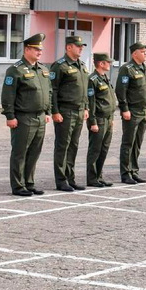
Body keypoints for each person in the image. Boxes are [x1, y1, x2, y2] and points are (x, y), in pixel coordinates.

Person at [1, 33, 51, 196]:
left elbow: (48, 92)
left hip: (40, 117)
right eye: (36, 49)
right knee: (20, 152)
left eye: (41, 50)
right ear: (27, 49)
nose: (39, 52)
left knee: (34, 152)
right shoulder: (15, 70)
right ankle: (17, 185)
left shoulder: (43, 69)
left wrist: (48, 112)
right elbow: (8, 95)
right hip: (23, 117)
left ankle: (29, 182)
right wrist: (10, 116)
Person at [50, 35, 89, 191]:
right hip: (65, 111)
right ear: (68, 47)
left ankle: (70, 178)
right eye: (78, 46)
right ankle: (61, 180)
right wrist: (55, 111)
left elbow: (84, 89)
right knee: (62, 146)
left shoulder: (82, 65)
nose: (81, 48)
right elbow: (53, 90)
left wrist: (86, 107)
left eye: (82, 46)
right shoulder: (59, 66)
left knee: (73, 146)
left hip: (79, 111)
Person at [116, 42, 146, 184]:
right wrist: (124, 109)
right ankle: (126, 173)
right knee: (128, 143)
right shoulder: (127, 69)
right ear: (134, 53)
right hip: (132, 111)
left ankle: (134, 171)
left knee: (137, 143)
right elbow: (121, 90)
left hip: (143, 111)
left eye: (145, 52)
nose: (145, 54)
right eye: (142, 52)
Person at [86, 53, 117, 187]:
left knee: (104, 149)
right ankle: (92, 178)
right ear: (101, 63)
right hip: (98, 119)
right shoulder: (92, 79)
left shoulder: (104, 78)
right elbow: (91, 102)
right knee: (95, 149)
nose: (110, 64)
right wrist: (92, 122)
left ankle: (99, 175)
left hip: (108, 118)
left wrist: (112, 118)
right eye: (108, 62)